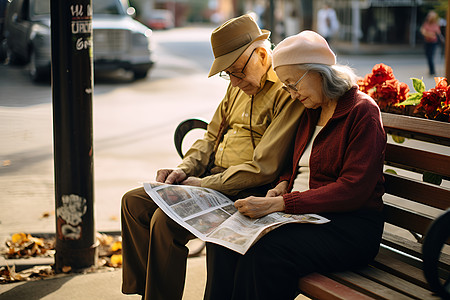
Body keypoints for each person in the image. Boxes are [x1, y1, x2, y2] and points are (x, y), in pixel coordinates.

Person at [121, 14, 305, 300]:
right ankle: (145, 292)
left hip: (246, 188)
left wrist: (203, 185)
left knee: (163, 222)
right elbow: (210, 136)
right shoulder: (237, 87)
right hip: (211, 177)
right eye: (227, 73)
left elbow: (263, 169)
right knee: (133, 202)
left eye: (237, 71)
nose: (233, 80)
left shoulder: (286, 90)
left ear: (259, 55)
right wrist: (183, 170)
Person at [203, 30, 386, 300]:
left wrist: (283, 204)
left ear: (319, 72)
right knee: (225, 239)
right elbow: (297, 163)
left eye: (292, 84)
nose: (290, 94)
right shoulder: (312, 110)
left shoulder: (362, 112)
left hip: (347, 227)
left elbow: (353, 189)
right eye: (286, 86)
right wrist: (282, 184)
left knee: (266, 251)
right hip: (303, 217)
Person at [420, 10, 443, 76]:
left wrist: (427, 33)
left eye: (430, 16)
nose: (428, 17)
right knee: (428, 56)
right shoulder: (426, 23)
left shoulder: (435, 25)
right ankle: (431, 70)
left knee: (430, 56)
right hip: (427, 42)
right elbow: (423, 31)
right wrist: (429, 34)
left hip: (433, 43)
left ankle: (432, 71)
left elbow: (436, 34)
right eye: (428, 16)